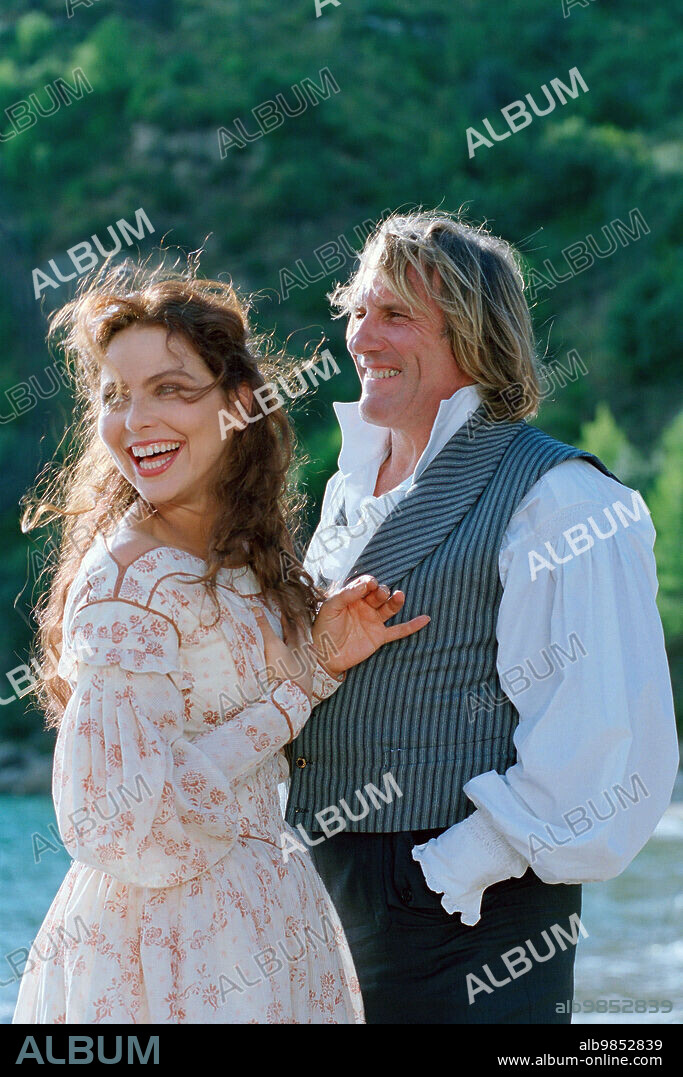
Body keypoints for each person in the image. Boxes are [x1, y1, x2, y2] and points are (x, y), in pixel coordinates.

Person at [285, 210, 679, 1024]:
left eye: (395, 314)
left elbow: (610, 747)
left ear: (472, 334)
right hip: (321, 898)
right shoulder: (349, 486)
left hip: (464, 911)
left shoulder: (561, 501)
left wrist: (445, 869)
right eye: (357, 310)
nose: (362, 336)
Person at [12, 262, 429, 1024]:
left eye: (170, 389)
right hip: (163, 944)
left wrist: (318, 650)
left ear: (239, 405)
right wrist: (299, 688)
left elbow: (237, 713)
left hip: (263, 910)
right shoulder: (123, 587)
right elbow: (119, 821)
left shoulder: (239, 554)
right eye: (115, 396)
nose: (135, 420)